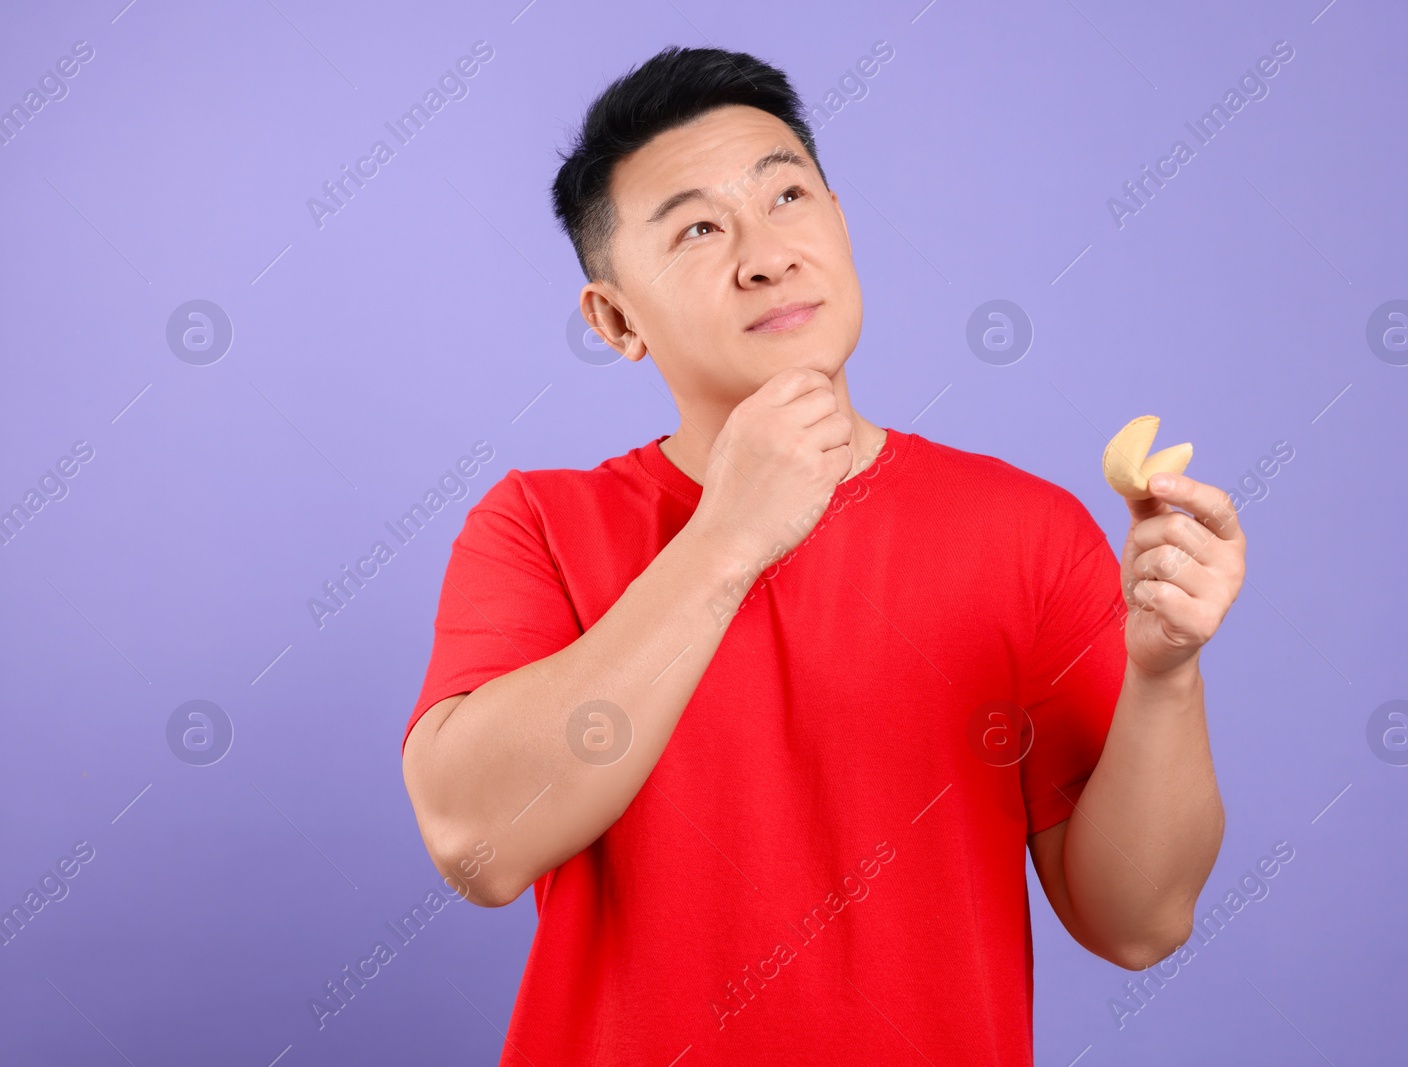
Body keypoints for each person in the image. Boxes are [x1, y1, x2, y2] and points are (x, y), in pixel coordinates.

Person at [400, 44, 1243, 1066]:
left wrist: (1165, 674)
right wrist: (729, 535)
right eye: (699, 229)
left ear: (840, 221)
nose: (766, 254)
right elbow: (477, 842)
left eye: (788, 195)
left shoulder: (1026, 531)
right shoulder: (537, 523)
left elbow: (1138, 922)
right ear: (615, 317)